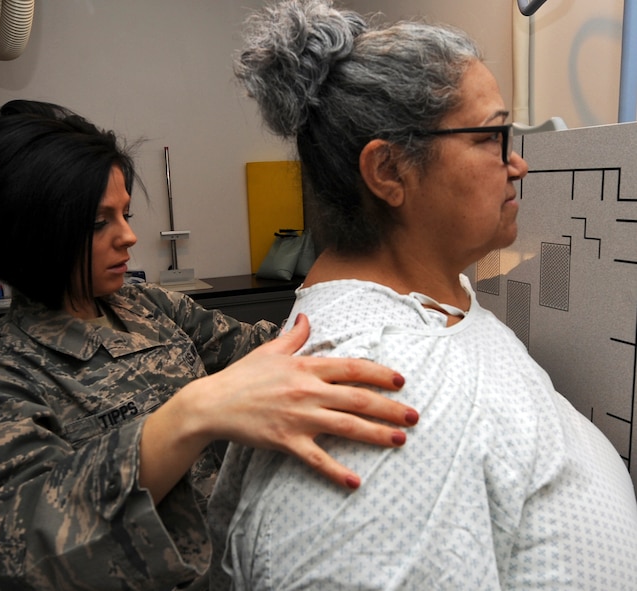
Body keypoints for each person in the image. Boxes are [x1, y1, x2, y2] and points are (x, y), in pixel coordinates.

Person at [208, 2, 637, 590]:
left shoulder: (440, 302)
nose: (518, 165)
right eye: (491, 136)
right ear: (389, 170)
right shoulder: (375, 398)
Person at [0, 98, 421, 591]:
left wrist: (384, 324)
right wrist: (191, 414)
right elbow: (4, 554)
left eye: (124, 213)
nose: (129, 236)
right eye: (99, 222)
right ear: (36, 233)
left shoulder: (142, 303)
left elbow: (262, 348)